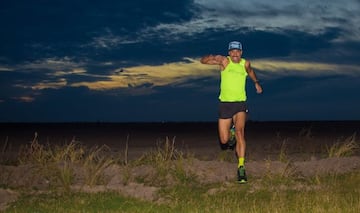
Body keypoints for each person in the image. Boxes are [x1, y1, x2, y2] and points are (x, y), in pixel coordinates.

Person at [200, 41, 263, 183]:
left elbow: (251, 72)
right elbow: (202, 61)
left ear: (241, 52)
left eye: (238, 51)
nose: (235, 53)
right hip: (225, 105)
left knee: (241, 132)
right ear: (229, 52)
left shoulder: (245, 63)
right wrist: (212, 56)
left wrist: (256, 82)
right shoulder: (224, 62)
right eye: (232, 51)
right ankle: (231, 133)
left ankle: (241, 167)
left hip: (240, 103)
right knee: (224, 140)